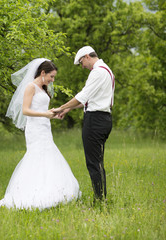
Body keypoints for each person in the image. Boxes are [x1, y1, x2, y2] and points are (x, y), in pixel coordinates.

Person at [0, 58, 81, 210]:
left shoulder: (44, 88)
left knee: (48, 156)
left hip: (45, 127)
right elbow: (25, 110)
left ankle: (51, 189)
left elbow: (43, 109)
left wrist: (54, 113)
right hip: (35, 129)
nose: (52, 80)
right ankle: (32, 192)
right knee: (37, 156)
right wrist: (45, 114)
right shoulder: (30, 87)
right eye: (51, 76)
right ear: (42, 73)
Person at [52, 46, 115, 201]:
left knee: (93, 163)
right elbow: (89, 99)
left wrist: (61, 107)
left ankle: (99, 200)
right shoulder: (106, 70)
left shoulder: (97, 72)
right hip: (104, 118)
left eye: (81, 62)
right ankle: (101, 198)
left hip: (95, 120)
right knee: (97, 161)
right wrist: (67, 110)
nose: (82, 66)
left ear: (87, 56)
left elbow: (82, 96)